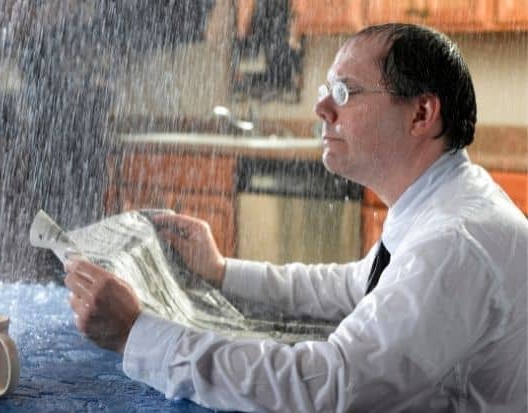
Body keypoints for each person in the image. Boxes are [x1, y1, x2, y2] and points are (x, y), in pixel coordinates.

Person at [64, 23, 528, 412]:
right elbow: (351, 287)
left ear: (422, 113)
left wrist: (137, 335)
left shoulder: (453, 242)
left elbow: (328, 387)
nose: (322, 108)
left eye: (344, 92)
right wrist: (222, 272)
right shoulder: (446, 201)